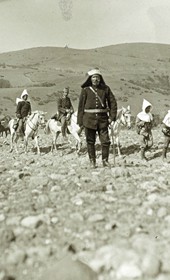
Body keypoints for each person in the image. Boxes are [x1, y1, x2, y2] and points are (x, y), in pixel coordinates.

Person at [77, 68, 117, 168]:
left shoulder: (106, 89)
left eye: (98, 77)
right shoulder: (85, 90)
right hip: (88, 119)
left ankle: (105, 161)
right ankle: (92, 161)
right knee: (90, 142)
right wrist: (80, 121)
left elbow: (113, 103)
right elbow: (81, 106)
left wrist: (112, 117)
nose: (96, 79)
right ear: (90, 78)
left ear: (100, 79)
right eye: (94, 77)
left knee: (106, 141)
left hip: (103, 120)